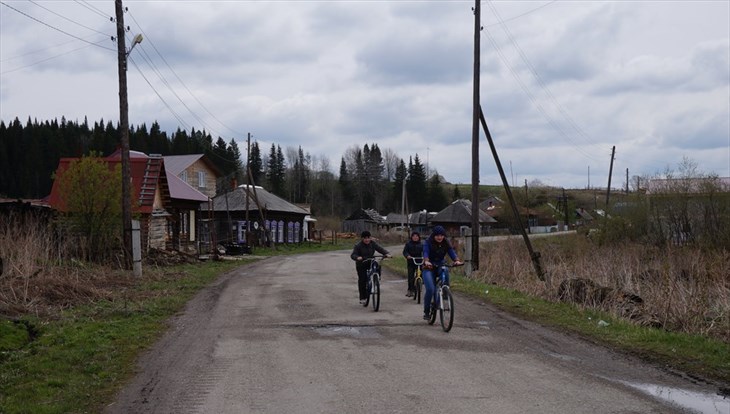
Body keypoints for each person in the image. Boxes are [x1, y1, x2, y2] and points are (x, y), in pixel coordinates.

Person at [422, 225, 462, 320]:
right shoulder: (428, 242)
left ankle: (445, 291)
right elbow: (425, 252)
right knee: (431, 289)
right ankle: (427, 311)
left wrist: (456, 260)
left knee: (446, 270)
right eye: (437, 235)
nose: (440, 237)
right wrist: (426, 260)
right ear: (434, 235)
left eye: (441, 235)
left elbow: (451, 251)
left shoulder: (445, 242)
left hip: (440, 265)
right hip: (429, 267)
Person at [351, 230, 391, 304]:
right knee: (362, 279)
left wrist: (386, 253)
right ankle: (363, 297)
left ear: (370, 238)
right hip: (362, 263)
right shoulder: (358, 246)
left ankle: (376, 280)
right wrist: (357, 257)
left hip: (370, 261)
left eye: (368, 238)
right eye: (365, 238)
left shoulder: (373, 243)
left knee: (377, 265)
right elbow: (353, 255)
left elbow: (380, 249)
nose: (367, 240)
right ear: (362, 239)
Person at [402, 231, 423, 297]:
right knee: (410, 276)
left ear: (419, 237)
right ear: (411, 237)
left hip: (419, 262)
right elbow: (405, 252)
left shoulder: (422, 244)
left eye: (417, 236)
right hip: (411, 262)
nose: (415, 237)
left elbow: (425, 252)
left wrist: (425, 257)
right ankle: (410, 290)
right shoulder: (408, 244)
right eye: (414, 236)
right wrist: (407, 256)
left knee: (420, 274)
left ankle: (418, 286)